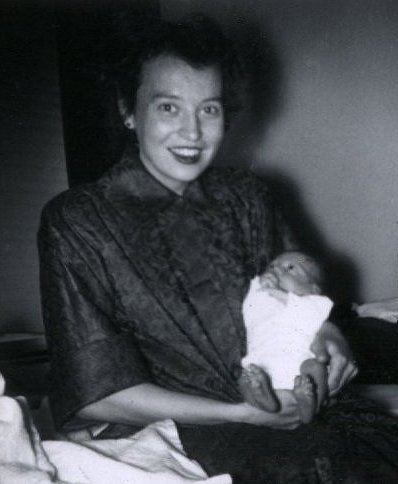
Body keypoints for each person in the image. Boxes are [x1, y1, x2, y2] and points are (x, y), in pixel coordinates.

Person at [38, 15, 398, 483]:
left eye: (208, 109)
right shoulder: (78, 221)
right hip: (190, 424)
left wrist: (331, 335)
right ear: (129, 109)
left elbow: (298, 295)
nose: (192, 133)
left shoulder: (248, 197)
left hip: (301, 401)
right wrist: (241, 414)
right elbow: (96, 392)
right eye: (169, 108)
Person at [241, 251, 332, 423]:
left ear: (313, 289)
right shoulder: (262, 298)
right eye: (272, 266)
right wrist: (258, 287)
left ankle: (310, 406)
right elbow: (249, 310)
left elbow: (313, 315)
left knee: (316, 367)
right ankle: (263, 400)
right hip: (261, 366)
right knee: (245, 377)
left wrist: (277, 292)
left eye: (290, 268)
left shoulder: (315, 303)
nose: (277, 270)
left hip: (300, 370)